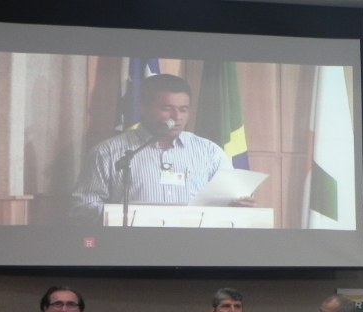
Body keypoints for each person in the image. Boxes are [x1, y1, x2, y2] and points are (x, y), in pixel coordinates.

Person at [69, 74, 252, 224]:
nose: (177, 117)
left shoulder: (210, 152)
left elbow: (230, 198)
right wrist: (124, 217)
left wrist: (238, 204)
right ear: (143, 108)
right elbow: (83, 206)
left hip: (194, 244)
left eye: (183, 109)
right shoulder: (107, 152)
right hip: (131, 245)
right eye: (167, 108)